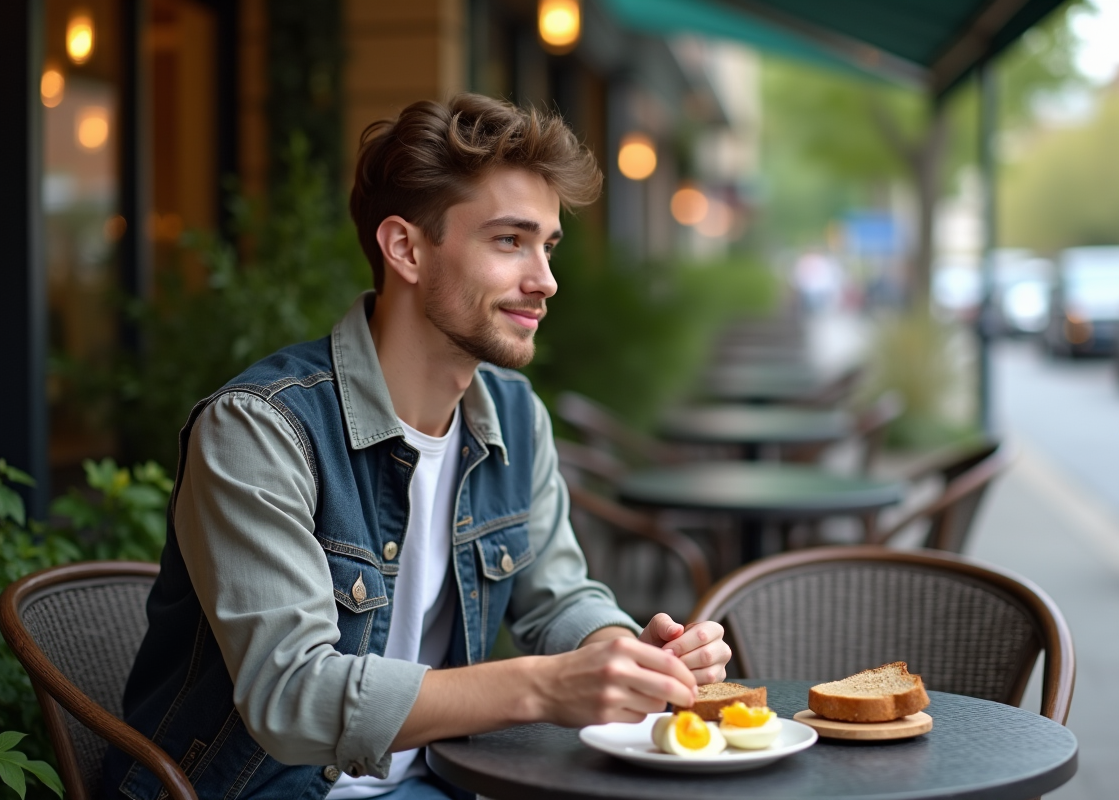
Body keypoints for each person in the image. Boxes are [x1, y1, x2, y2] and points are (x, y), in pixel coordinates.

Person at [102, 94, 732, 800]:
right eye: (509, 241)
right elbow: (292, 695)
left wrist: (621, 654)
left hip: (440, 782)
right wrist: (544, 687)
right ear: (405, 247)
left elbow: (558, 599)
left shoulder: (515, 419)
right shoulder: (259, 429)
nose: (545, 280)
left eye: (546, 245)